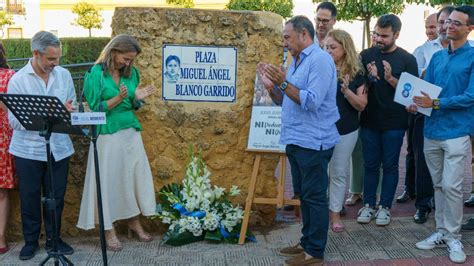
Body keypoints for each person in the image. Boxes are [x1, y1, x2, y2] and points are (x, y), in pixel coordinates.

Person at [259, 15, 339, 265]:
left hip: (314, 141)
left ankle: (315, 251)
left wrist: (283, 83)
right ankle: (306, 242)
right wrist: (273, 87)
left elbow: (311, 101)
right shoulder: (295, 61)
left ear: (304, 35)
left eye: (287, 37)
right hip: (296, 138)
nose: (284, 43)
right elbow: (285, 100)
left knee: (315, 197)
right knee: (304, 195)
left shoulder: (320, 61)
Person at [77, 34, 157, 252]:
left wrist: (136, 99)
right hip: (107, 134)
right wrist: (119, 99)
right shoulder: (95, 74)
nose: (128, 63)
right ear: (114, 52)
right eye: (126, 58)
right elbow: (95, 108)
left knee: (130, 178)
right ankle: (108, 228)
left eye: (131, 59)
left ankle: (133, 221)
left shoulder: (132, 74)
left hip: (130, 132)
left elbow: (132, 104)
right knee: (108, 181)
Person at [7, 31, 76, 260]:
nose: (55, 64)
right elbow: (14, 121)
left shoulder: (64, 75)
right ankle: (30, 242)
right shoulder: (18, 80)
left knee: (56, 197)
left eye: (58, 58)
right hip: (27, 150)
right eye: (51, 59)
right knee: (30, 196)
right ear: (36, 54)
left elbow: (72, 105)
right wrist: (48, 112)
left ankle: (54, 239)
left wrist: (68, 112)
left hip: (59, 147)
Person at [413, 6, 474, 264]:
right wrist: (414, 102)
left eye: (456, 23)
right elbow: (428, 91)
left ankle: (453, 236)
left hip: (457, 131)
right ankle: (440, 231)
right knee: (438, 185)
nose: (448, 26)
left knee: (452, 186)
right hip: (432, 130)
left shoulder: (473, 57)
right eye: (447, 22)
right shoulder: (437, 58)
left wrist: (434, 104)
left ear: (470, 28)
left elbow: (471, 96)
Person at [356, 14, 418, 226]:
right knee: (370, 165)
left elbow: (412, 95)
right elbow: (360, 84)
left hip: (394, 122)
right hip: (369, 120)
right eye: (376, 34)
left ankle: (385, 207)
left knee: (390, 165)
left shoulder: (408, 59)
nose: (378, 39)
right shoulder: (365, 55)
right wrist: (370, 78)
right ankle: (368, 204)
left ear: (396, 35)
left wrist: (391, 79)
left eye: (384, 36)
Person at [325, 29, 367, 233]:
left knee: (338, 172)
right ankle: (322, 210)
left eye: (333, 47)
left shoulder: (357, 72)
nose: (328, 50)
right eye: (326, 47)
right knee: (321, 172)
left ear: (345, 48)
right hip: (321, 129)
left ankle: (335, 214)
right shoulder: (321, 67)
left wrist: (346, 91)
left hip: (346, 130)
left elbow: (361, 104)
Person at [396, 13, 440, 206]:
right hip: (419, 106)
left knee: (433, 153)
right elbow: (414, 77)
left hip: (440, 107)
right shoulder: (421, 49)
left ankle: (432, 196)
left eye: (433, 26)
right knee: (413, 150)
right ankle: (409, 188)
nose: (430, 31)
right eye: (427, 27)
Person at [0, 43, 15, 255]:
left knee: (1, 191)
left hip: (2, 137)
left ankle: (0, 236)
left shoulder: (10, 76)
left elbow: (13, 109)